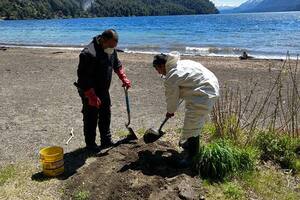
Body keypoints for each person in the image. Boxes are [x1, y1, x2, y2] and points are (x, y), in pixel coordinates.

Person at [152, 51, 219, 167]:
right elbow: (185, 86)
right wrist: (172, 109)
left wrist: (170, 111)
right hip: (210, 85)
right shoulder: (182, 63)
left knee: (192, 124)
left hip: (203, 93)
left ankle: (192, 158)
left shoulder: (172, 76)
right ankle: (189, 144)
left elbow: (172, 97)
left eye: (158, 70)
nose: (159, 73)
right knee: (194, 121)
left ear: (162, 66)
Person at [75, 29, 131, 152]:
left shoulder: (110, 49)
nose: (113, 49)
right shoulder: (88, 53)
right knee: (91, 116)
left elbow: (116, 64)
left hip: (103, 89)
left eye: (114, 47)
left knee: (106, 114)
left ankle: (106, 141)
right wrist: (91, 95)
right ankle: (90, 144)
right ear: (103, 40)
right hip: (89, 90)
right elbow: (83, 77)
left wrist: (123, 77)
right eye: (111, 46)